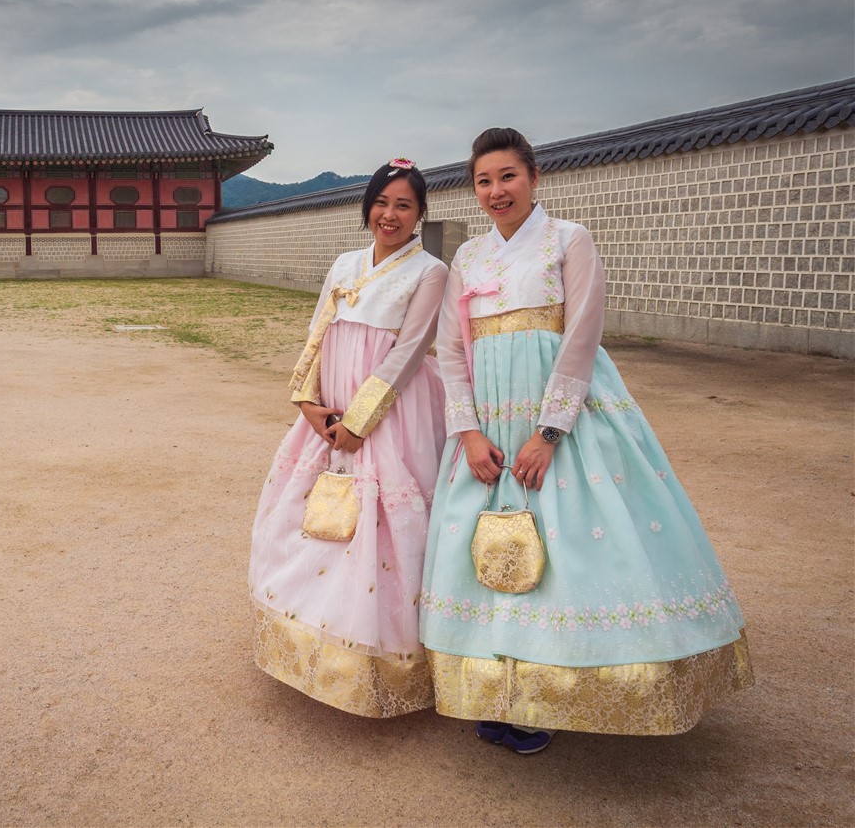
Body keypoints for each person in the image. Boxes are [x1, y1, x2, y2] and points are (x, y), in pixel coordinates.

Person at [420, 128, 753, 753]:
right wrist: (467, 432)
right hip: (489, 421)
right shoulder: (468, 260)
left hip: (561, 418)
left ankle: (557, 692)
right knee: (491, 550)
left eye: (508, 176)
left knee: (569, 546)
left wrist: (549, 434)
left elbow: (581, 337)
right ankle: (494, 687)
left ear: (534, 177)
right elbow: (449, 349)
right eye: (484, 181)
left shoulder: (569, 240)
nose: (496, 191)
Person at [249, 158, 449, 717]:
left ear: (419, 215)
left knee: (380, 529)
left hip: (391, 415)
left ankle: (384, 655)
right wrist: (311, 407)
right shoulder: (343, 264)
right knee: (316, 518)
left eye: (404, 205)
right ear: (368, 208)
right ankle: (307, 636)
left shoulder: (429, 272)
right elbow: (317, 336)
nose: (391, 215)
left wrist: (359, 422)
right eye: (382, 203)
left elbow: (409, 353)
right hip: (330, 413)